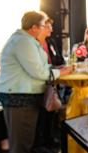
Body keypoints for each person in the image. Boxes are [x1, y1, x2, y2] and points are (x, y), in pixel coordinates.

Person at [0, 11, 73, 153]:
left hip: (23, 97)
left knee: (25, 141)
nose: (46, 28)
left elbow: (40, 67)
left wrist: (55, 68)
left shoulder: (28, 40)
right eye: (44, 25)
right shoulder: (23, 42)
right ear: (34, 27)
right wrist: (61, 72)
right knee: (21, 144)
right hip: (19, 98)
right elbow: (39, 72)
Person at [35, 17, 65, 149]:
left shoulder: (50, 41)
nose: (51, 29)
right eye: (48, 26)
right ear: (41, 27)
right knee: (40, 112)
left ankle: (50, 138)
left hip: (52, 79)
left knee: (51, 109)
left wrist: (59, 66)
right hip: (38, 83)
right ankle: (40, 142)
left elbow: (59, 58)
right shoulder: (33, 43)